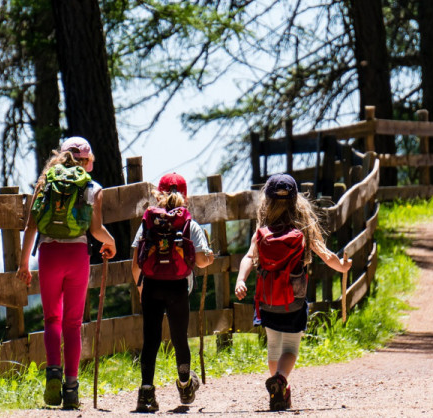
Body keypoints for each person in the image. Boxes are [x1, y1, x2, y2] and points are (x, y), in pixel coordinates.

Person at [234, 173, 351, 411]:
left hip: (267, 301)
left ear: (266, 201)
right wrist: (342, 266)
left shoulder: (263, 229)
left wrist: (240, 279)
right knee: (290, 349)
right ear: (296, 200)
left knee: (274, 347)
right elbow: (325, 254)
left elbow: (249, 257)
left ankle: (279, 391)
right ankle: (280, 381)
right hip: (294, 301)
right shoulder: (303, 227)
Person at [16, 136, 116, 410]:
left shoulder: (45, 182)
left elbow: (31, 227)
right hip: (77, 256)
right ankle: (71, 387)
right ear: (88, 161)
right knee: (73, 323)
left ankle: (52, 373)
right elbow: (95, 230)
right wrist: (111, 242)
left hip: (49, 254)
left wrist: (24, 264)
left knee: (52, 319)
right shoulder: (92, 188)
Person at [130, 172, 215, 412]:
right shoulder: (189, 224)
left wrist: (140, 287)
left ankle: (146, 393)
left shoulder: (148, 223)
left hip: (152, 285)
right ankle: (186, 385)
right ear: (185, 196)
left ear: (158, 194)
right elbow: (199, 260)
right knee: (179, 338)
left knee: (151, 340)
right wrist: (209, 258)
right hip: (178, 287)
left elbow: (136, 262)